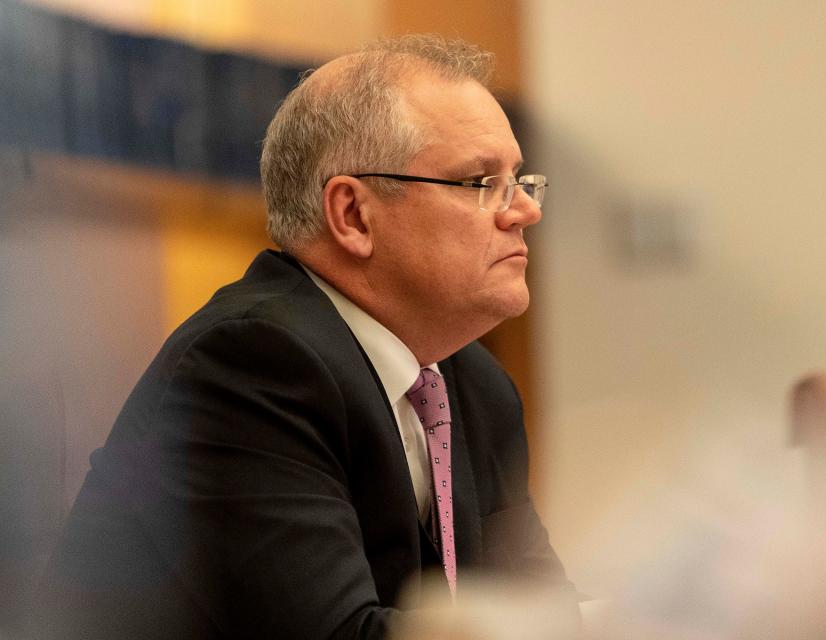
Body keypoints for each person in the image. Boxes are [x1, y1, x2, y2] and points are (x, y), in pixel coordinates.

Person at [35, 34, 575, 639]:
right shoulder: (253, 365)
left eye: (521, 179)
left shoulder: (475, 384)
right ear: (353, 215)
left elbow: (541, 611)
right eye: (480, 183)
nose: (525, 210)